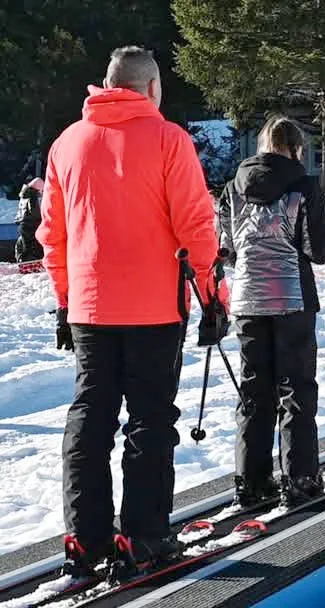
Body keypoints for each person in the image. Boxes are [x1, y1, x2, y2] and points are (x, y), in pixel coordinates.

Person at [37, 46, 223, 573]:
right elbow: (196, 227)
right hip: (153, 307)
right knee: (150, 419)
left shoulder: (67, 143)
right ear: (152, 88)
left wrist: (65, 299)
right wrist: (212, 296)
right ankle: (144, 536)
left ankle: (86, 536)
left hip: (89, 305)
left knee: (90, 415)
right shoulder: (168, 139)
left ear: (106, 84)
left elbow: (53, 235)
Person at [216, 116, 325, 511]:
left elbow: (226, 246)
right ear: (296, 148)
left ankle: (251, 480)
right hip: (290, 296)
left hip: (247, 298)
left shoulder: (234, 186)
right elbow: (315, 247)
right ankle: (300, 477)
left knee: (254, 389)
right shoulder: (303, 185)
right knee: (296, 388)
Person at [15, 177, 44, 262]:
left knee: (26, 246)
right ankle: (31, 262)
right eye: (42, 191)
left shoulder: (24, 196)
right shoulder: (32, 197)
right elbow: (34, 212)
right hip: (32, 224)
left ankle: (24, 261)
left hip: (23, 223)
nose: (42, 193)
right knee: (34, 246)